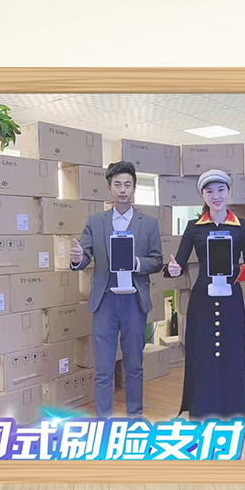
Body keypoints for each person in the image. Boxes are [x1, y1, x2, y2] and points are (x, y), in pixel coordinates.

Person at [70, 161, 163, 417]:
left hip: (135, 302)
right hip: (105, 302)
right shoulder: (96, 222)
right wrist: (77, 258)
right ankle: (104, 420)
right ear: (109, 188)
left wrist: (136, 263)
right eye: (118, 184)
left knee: (134, 365)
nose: (123, 190)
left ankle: (135, 417)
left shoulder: (149, 224)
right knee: (103, 367)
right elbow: (85, 256)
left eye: (128, 185)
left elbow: (157, 261)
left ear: (134, 188)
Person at [165, 169, 245, 419]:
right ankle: (201, 412)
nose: (216, 196)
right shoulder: (194, 227)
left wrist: (234, 272)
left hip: (231, 298)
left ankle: (234, 413)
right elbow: (179, 262)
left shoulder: (242, 227)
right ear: (203, 196)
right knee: (202, 353)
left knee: (232, 353)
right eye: (209, 191)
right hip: (202, 300)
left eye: (220, 190)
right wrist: (173, 269)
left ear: (228, 192)